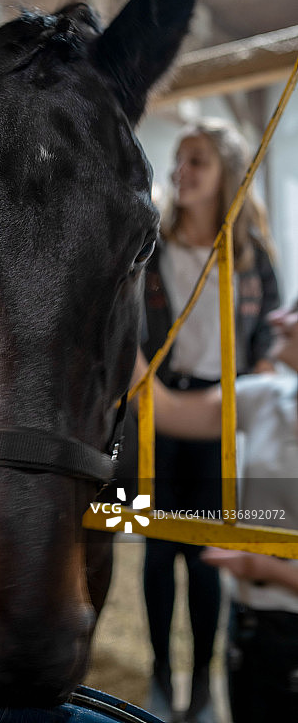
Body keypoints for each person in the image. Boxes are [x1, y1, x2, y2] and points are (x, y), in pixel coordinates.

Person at [141, 118, 280, 722]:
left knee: (205, 555)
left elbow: (270, 335)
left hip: (221, 414)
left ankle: (198, 683)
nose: (181, 172)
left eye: (196, 160)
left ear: (227, 172)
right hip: (154, 409)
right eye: (179, 159)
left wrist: (265, 376)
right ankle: (158, 672)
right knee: (153, 549)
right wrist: (138, 380)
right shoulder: (150, 245)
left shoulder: (251, 257)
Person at [133, 299, 298, 722]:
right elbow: (166, 409)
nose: (275, 317)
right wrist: (117, 325)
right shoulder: (266, 396)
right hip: (249, 626)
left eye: (296, 313)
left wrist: (268, 568)